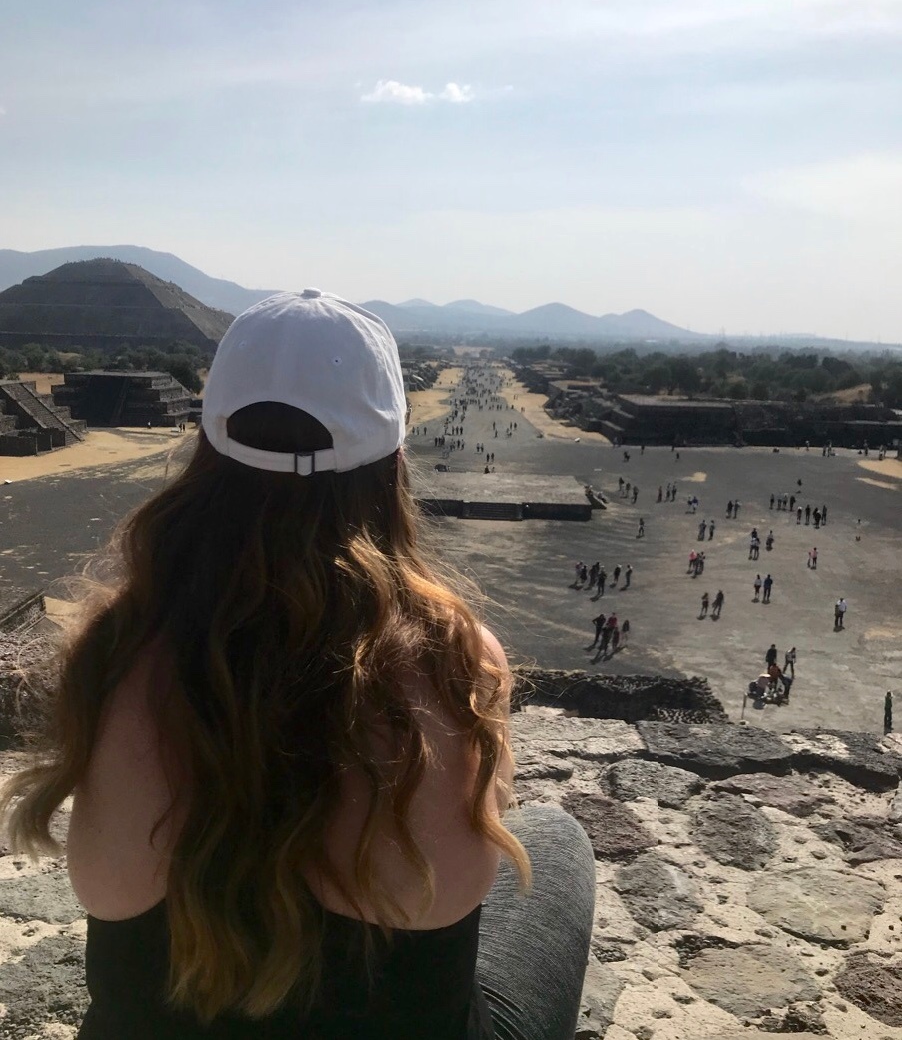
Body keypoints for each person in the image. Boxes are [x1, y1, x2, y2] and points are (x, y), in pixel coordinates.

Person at [0, 292, 596, 1040]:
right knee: (555, 838)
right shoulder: (452, 657)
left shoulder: (120, 648)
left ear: (209, 448)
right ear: (393, 461)